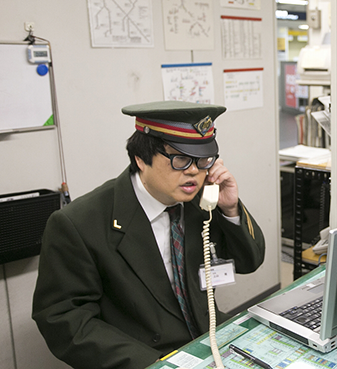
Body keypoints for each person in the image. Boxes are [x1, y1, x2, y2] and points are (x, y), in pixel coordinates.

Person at [32, 101, 265, 369]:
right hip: (141, 356)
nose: (193, 172)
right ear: (140, 159)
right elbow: (63, 318)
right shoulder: (79, 223)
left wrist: (230, 208)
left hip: (206, 338)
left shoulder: (201, 202)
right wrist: (151, 364)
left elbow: (250, 261)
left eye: (203, 160)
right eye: (180, 159)